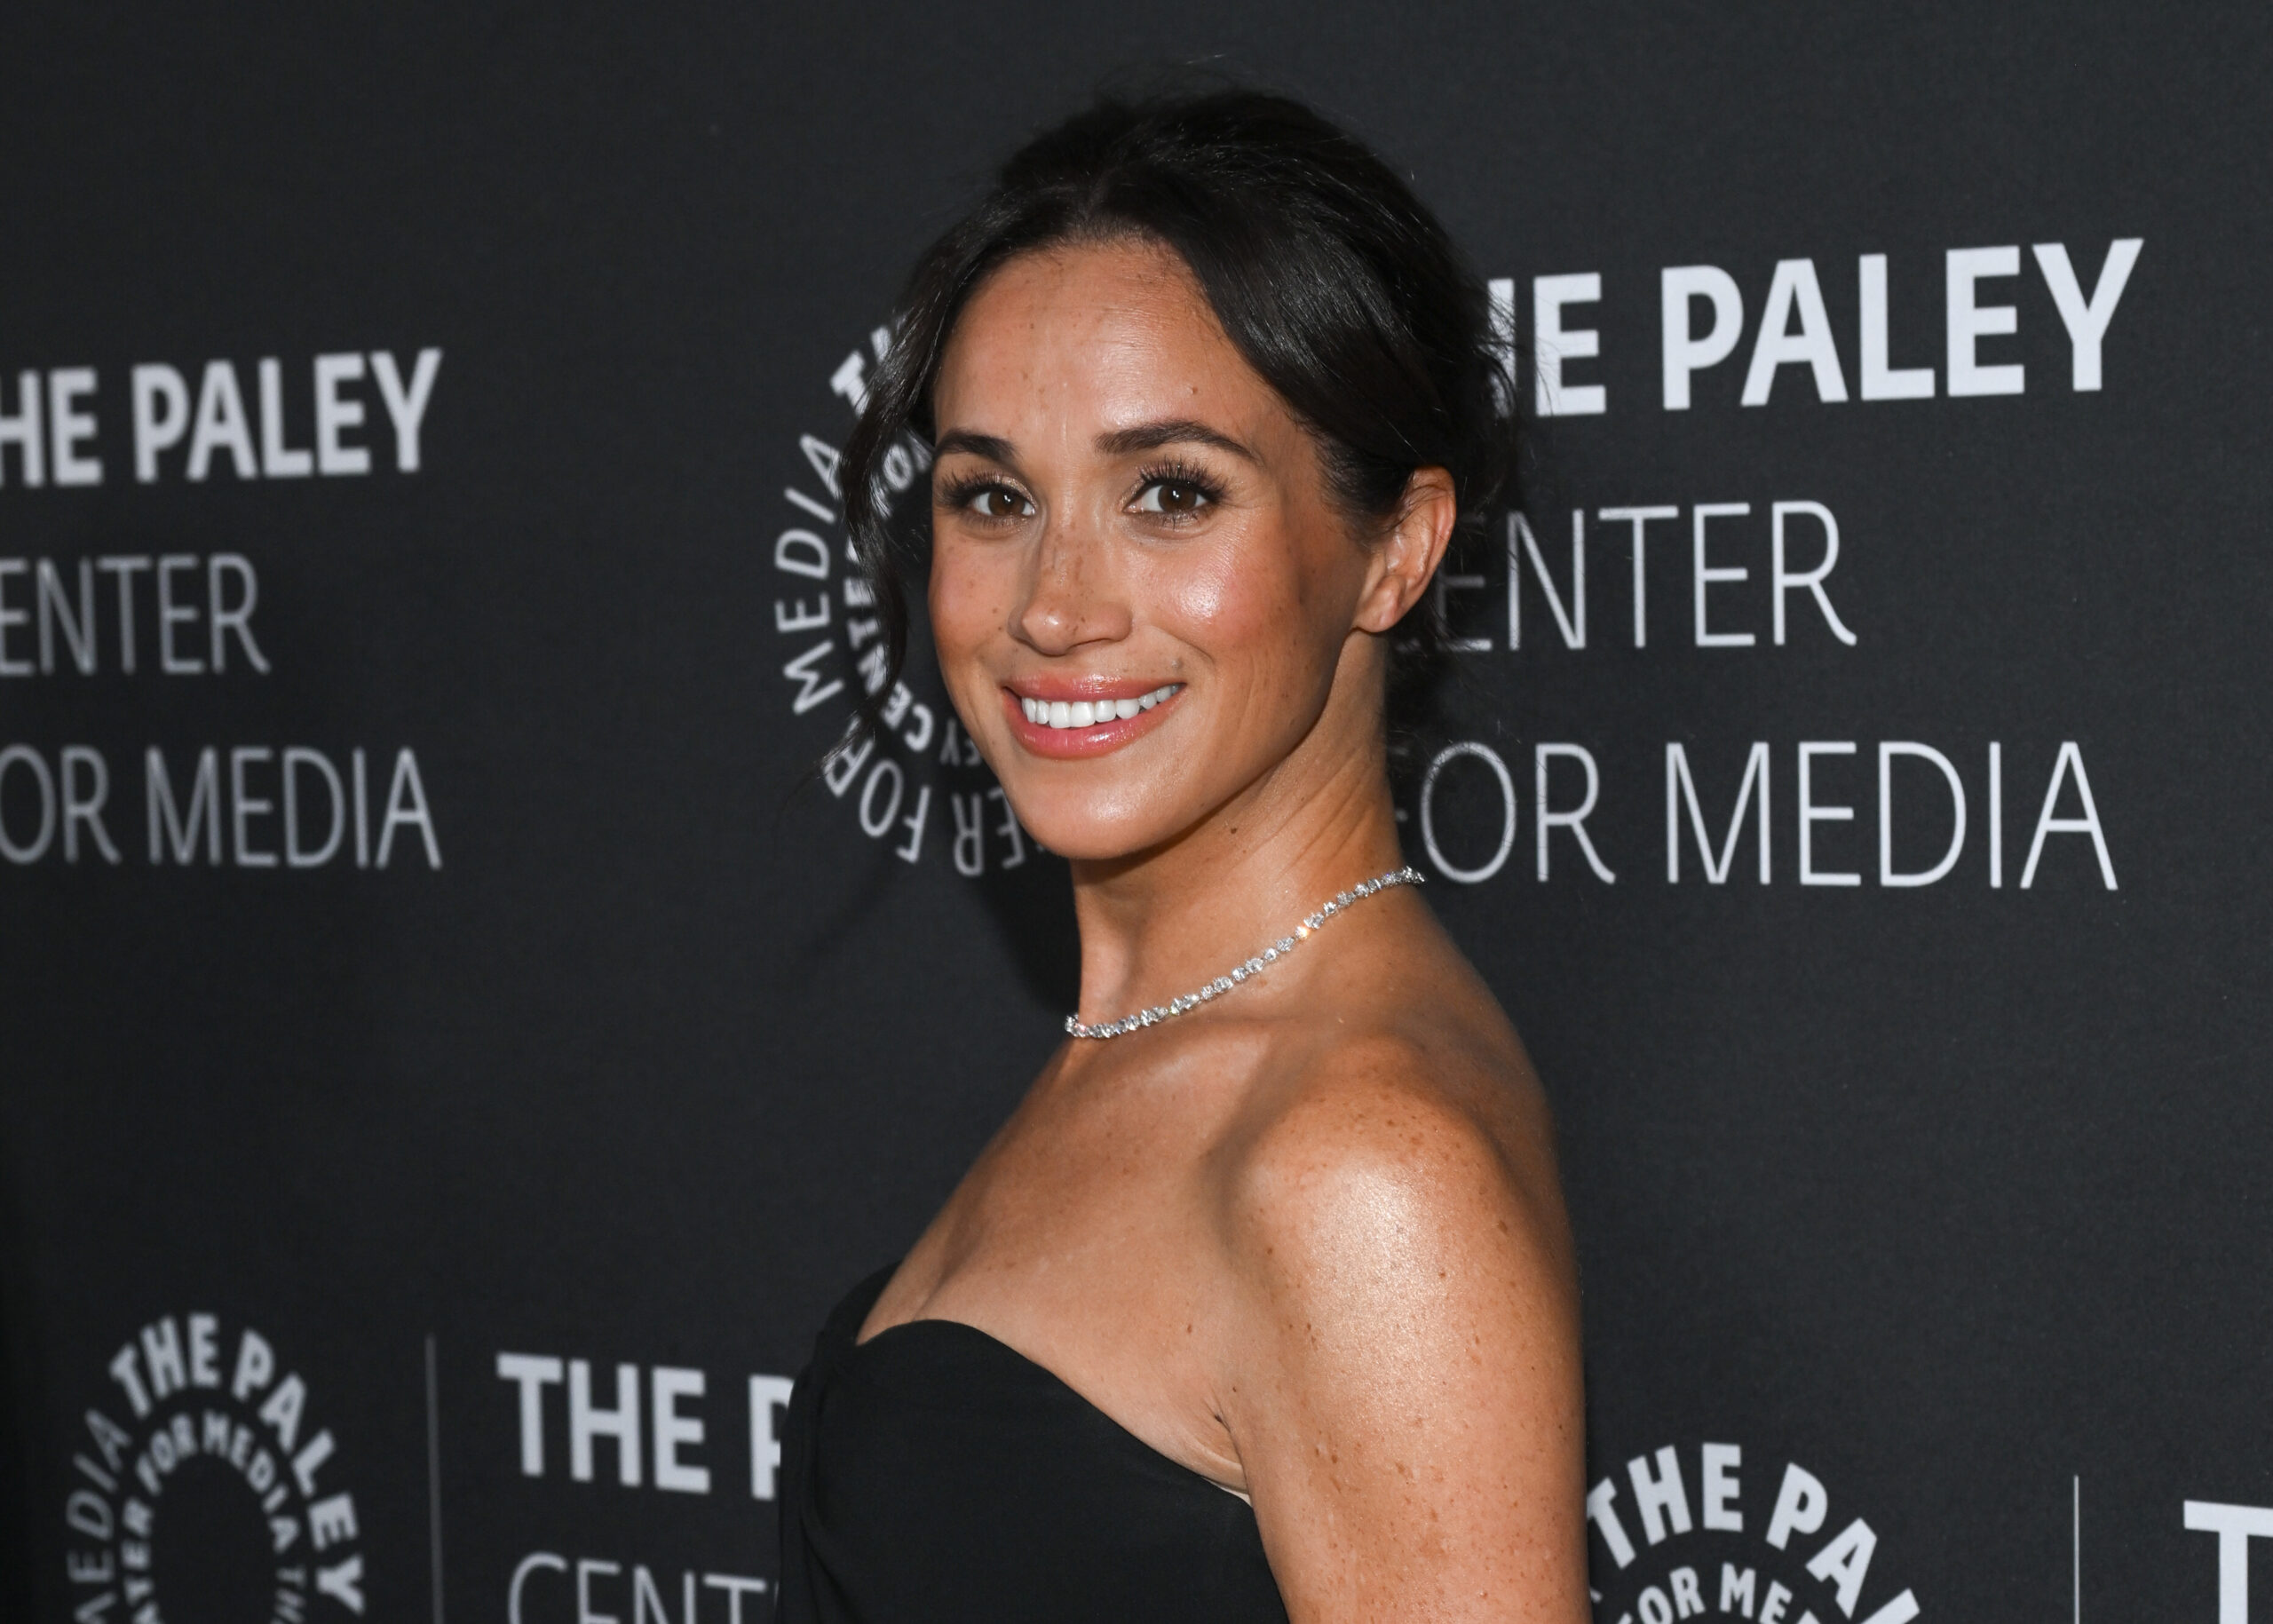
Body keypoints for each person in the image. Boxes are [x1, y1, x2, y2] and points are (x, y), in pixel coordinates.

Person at [776, 88, 1587, 1623]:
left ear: (1397, 546)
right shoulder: (1164, 1043)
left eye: (1171, 493)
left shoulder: (1361, 1173)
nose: (1056, 604)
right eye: (993, 495)